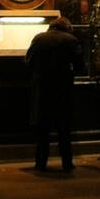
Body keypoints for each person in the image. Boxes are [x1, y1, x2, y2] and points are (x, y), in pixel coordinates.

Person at [25, 16, 84, 172]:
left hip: (42, 88)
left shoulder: (38, 38)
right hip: (62, 89)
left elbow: (28, 62)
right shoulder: (70, 40)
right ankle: (67, 162)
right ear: (67, 27)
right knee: (63, 129)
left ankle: (40, 163)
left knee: (42, 130)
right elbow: (80, 65)